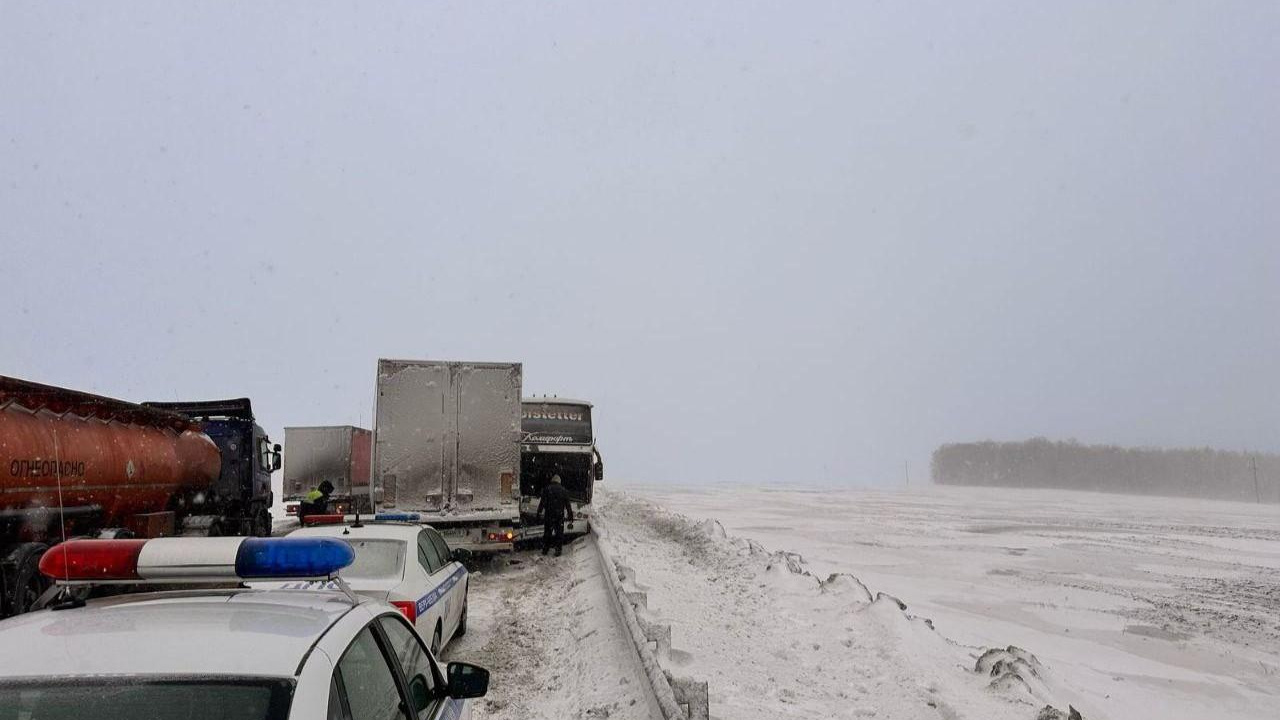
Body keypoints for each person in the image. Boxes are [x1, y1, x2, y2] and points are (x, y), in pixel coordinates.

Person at [537, 474, 574, 556]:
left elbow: (542, 503)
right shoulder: (564, 490)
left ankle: (545, 549)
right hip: (559, 516)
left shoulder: (547, 489)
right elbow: (568, 505)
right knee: (559, 534)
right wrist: (570, 515)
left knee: (547, 533)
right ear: (559, 481)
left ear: (552, 480)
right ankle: (558, 550)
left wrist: (539, 513)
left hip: (549, 515)